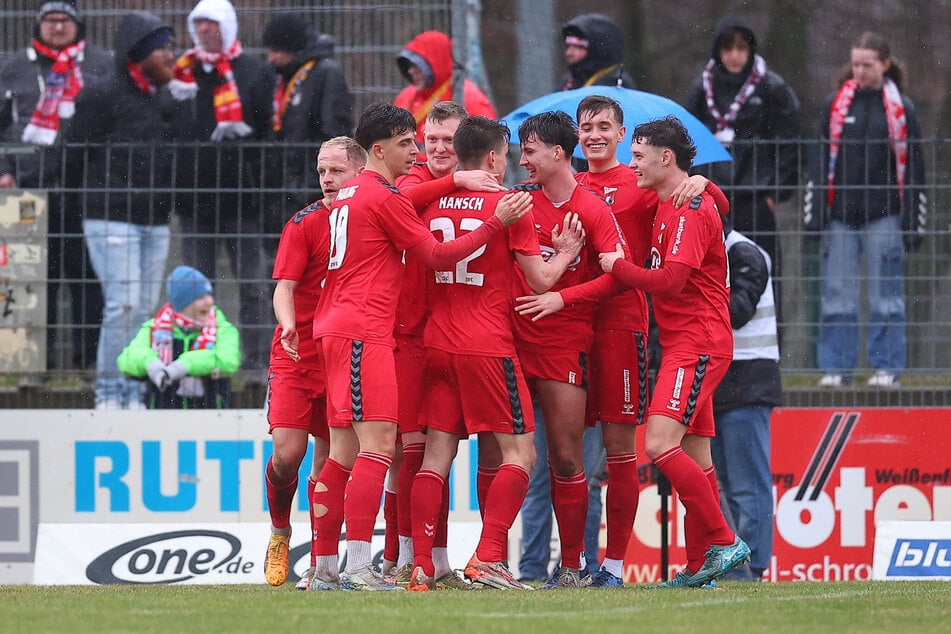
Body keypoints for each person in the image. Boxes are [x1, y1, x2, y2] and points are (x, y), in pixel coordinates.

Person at [306, 102, 530, 591]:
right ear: (379, 148)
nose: (420, 151)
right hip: (368, 329)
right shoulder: (382, 195)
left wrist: (453, 185)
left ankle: (325, 567)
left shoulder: (350, 193)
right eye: (409, 142)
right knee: (381, 447)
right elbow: (435, 254)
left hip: (334, 326)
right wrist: (497, 223)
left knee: (343, 453)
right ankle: (363, 566)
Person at [407, 115, 583, 592]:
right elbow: (541, 280)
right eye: (506, 154)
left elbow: (399, 211)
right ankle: (487, 558)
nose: (510, 163)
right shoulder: (510, 204)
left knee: (435, 457)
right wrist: (565, 251)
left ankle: (422, 565)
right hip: (486, 345)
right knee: (521, 453)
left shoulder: (433, 199)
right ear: (491, 158)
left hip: (437, 343)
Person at [571, 95, 727, 588]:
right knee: (568, 457)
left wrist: (706, 185)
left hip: (641, 332)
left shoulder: (657, 193)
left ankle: (617, 566)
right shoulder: (571, 185)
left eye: (604, 126)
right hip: (573, 332)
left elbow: (705, 214)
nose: (593, 134)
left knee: (638, 449)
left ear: (620, 135)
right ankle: (701, 560)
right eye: (585, 126)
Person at [599, 116, 749, 588]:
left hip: (697, 344)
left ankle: (724, 541)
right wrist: (708, 184)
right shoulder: (672, 197)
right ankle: (701, 563)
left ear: (667, 159)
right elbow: (719, 202)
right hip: (689, 343)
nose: (631, 164)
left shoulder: (687, 207)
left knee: (659, 444)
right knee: (696, 457)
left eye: (638, 155)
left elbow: (669, 282)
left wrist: (619, 267)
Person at [510, 111, 632, 589]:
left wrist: (562, 296)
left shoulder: (593, 209)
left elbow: (618, 277)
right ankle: (494, 561)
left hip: (565, 346)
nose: (523, 161)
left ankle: (573, 566)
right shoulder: (518, 204)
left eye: (530, 151)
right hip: (515, 346)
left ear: (557, 153)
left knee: (566, 459)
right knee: (510, 459)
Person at [262, 136, 366, 590]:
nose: (326, 179)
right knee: (288, 455)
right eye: (322, 170)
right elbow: (283, 287)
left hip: (341, 355)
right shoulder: (304, 223)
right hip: (296, 352)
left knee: (330, 465)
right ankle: (279, 531)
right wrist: (287, 324)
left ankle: (319, 564)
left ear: (360, 174)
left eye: (336, 171)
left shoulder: (372, 220)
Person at [64, 10, 180, 410]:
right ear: (140, 50)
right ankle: (110, 393)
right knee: (123, 305)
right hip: (110, 217)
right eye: (164, 47)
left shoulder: (162, 97)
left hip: (155, 220)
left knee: (145, 309)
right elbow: (71, 151)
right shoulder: (102, 93)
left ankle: (135, 392)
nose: (172, 55)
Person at [805, 31, 927, 388]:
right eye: (856, 63)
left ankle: (886, 368)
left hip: (884, 215)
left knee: (885, 295)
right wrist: (815, 215)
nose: (860, 71)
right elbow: (819, 162)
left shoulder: (901, 107)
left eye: (867, 65)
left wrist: (913, 219)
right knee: (837, 294)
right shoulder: (835, 104)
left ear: (884, 65)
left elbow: (915, 165)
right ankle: (835, 369)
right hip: (841, 216)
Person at [0, 0, 111, 371]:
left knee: (86, 281)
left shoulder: (99, 64)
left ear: (78, 26)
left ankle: (85, 367)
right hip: (28, 190)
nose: (58, 27)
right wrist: (4, 169)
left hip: (86, 190)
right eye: (50, 20)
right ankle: (34, 370)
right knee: (33, 281)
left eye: (65, 20)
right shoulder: (13, 67)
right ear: (38, 25)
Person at [169, 0, 274, 373]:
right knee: (196, 286)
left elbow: (264, 132)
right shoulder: (182, 74)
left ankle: (258, 361)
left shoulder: (254, 73)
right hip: (193, 198)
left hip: (241, 198)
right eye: (199, 26)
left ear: (227, 28)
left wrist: (254, 178)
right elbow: (173, 129)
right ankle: (197, 359)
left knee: (252, 284)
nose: (204, 32)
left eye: (212, 25)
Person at [684, 14, 801, 271]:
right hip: (711, 193)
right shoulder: (701, 89)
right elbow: (687, 139)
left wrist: (776, 191)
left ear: (750, 50)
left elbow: (789, 141)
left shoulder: (772, 87)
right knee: (714, 266)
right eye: (728, 48)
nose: (734, 55)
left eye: (741, 48)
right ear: (718, 51)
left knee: (763, 266)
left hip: (756, 195)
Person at [712, 221, 782, 582]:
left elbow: (738, 311)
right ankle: (737, 564)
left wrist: (701, 288)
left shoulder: (745, 254)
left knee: (746, 483)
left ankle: (750, 565)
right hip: (724, 381)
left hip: (748, 382)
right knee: (727, 483)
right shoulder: (729, 253)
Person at [261, 14, 354, 244]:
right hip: (287, 191)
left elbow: (335, 131)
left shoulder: (325, 73)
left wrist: (315, 182)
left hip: (311, 188)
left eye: (275, 51)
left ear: (290, 48)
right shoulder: (285, 77)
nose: (270, 59)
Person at [117, 265, 239, 409]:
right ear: (182, 303)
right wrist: (152, 364)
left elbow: (229, 360)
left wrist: (185, 365)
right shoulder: (154, 327)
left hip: (211, 417)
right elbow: (126, 360)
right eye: (201, 297)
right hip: (162, 417)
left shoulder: (223, 327)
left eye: (209, 294)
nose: (209, 301)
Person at [393, 30, 497, 150]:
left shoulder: (469, 98)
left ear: (435, 64)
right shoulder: (405, 97)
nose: (410, 71)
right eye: (409, 65)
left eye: (417, 65)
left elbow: (488, 147)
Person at [558, 13, 635, 90]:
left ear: (600, 49)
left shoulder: (616, 85)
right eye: (568, 46)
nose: (569, 53)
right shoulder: (569, 82)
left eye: (579, 47)